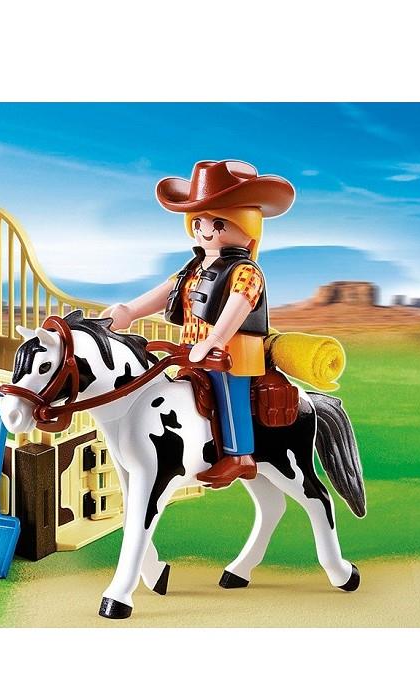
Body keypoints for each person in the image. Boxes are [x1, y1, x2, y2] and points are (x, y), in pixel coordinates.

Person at [101, 160, 295, 487]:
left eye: (219, 223)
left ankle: (239, 456)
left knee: (229, 392)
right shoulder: (194, 266)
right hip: (193, 348)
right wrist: (129, 311)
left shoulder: (246, 271)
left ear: (247, 227)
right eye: (199, 221)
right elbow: (167, 291)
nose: (206, 230)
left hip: (232, 352)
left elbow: (240, 303)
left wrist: (216, 338)